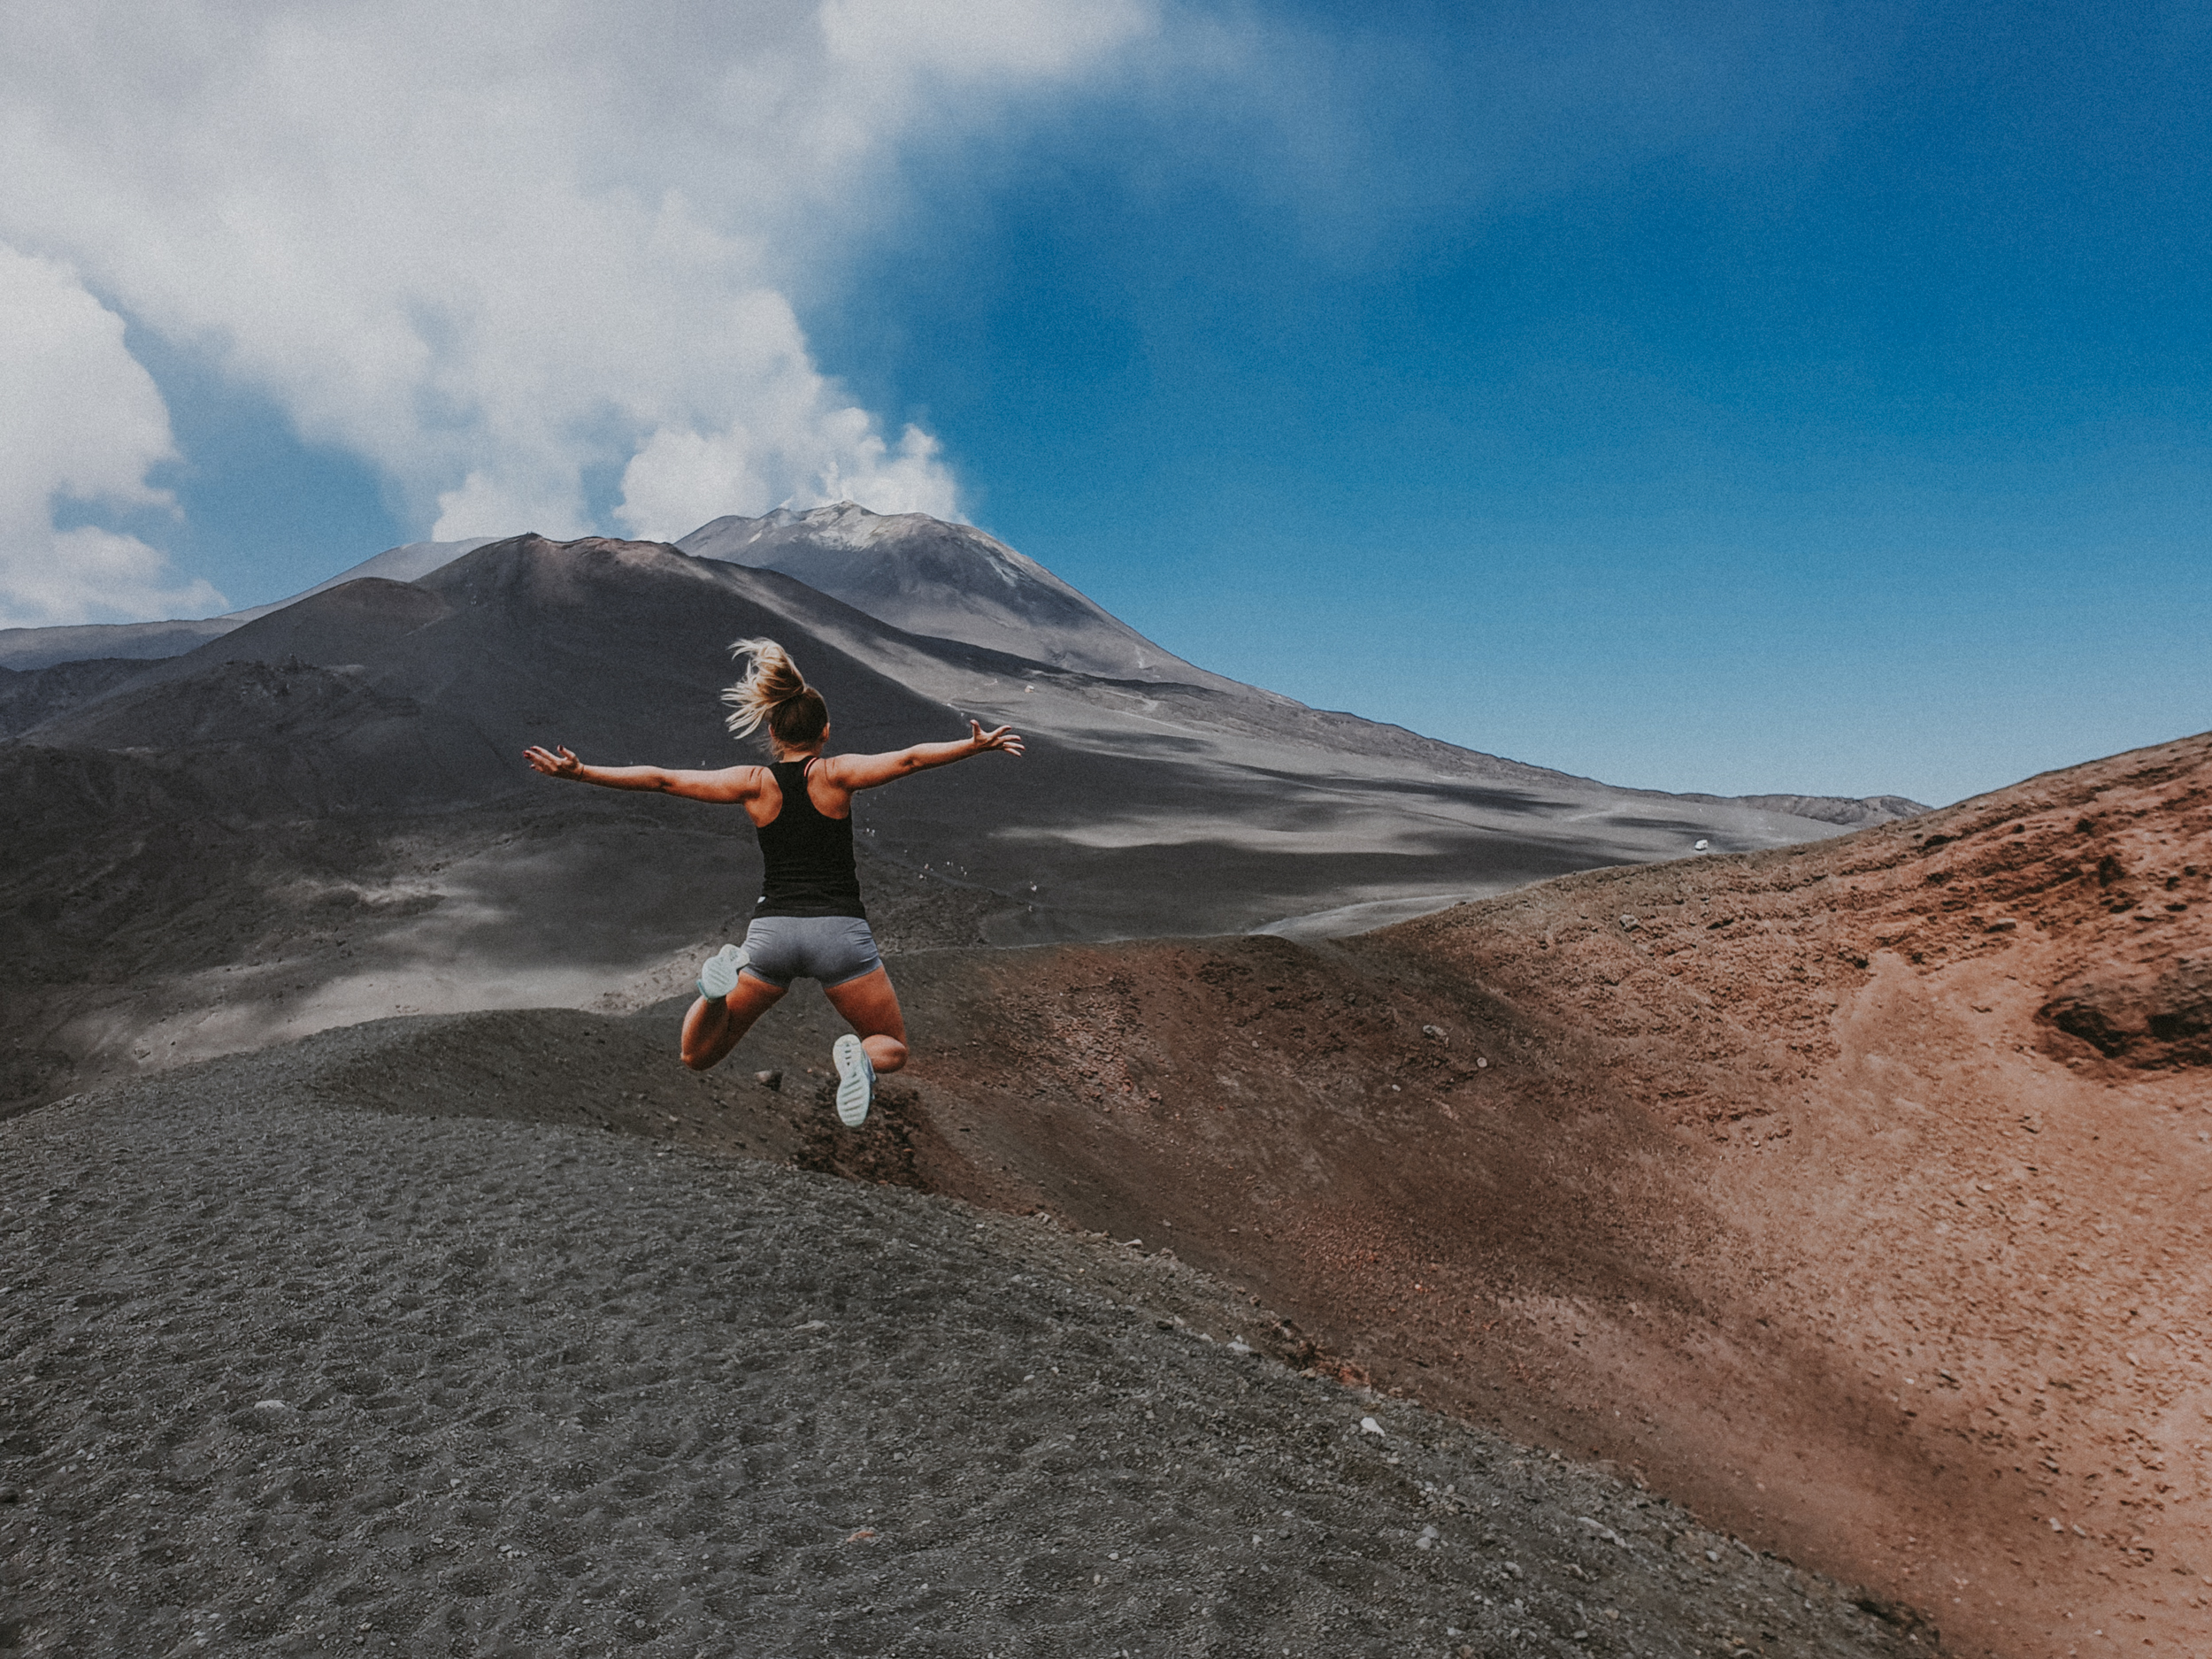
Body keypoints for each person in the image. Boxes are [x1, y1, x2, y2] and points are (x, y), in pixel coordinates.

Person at [523, 638, 1023, 1126]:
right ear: (825, 731)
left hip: (772, 936)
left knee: (697, 1055)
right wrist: (972, 746)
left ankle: (713, 995)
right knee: (891, 1043)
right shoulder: (836, 774)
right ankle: (863, 1064)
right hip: (839, 936)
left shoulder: (754, 783)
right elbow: (909, 758)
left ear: (772, 732)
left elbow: (663, 779)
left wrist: (582, 772)